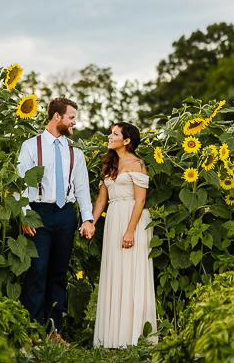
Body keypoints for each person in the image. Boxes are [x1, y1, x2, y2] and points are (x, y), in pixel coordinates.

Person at [17, 97, 96, 337]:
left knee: (58, 274)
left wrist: (87, 219)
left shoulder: (75, 152)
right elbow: (21, 184)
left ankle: (54, 332)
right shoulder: (31, 146)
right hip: (38, 212)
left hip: (65, 215)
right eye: (71, 117)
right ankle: (30, 332)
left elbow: (82, 188)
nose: (75, 122)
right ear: (57, 117)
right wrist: (25, 215)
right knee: (37, 270)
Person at [91, 122, 157, 348]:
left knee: (132, 273)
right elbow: (102, 199)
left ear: (127, 140)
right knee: (115, 272)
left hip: (132, 220)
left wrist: (130, 230)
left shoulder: (137, 163)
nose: (110, 136)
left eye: (115, 133)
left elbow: (140, 200)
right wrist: (91, 222)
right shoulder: (110, 164)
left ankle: (134, 335)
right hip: (113, 219)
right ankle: (113, 336)